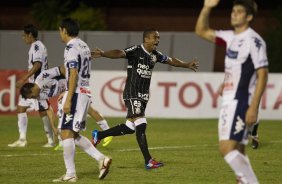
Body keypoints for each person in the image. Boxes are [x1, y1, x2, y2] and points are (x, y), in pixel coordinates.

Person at [91, 28, 199, 169]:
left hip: (143, 95)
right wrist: (104, 53)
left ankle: (99, 135)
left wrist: (186, 64)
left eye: (158, 38)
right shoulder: (136, 50)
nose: (157, 40)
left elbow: (171, 60)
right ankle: (148, 161)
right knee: (141, 124)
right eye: (155, 37)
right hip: (132, 93)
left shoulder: (155, 55)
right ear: (146, 39)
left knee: (130, 127)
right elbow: (120, 53)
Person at [195, 0, 268, 183]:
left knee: (226, 148)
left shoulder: (254, 41)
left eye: (239, 12)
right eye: (233, 11)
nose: (234, 14)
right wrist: (207, 7)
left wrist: (253, 107)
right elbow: (201, 31)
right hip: (230, 99)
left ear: (249, 17)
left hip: (241, 101)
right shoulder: (229, 37)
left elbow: (263, 75)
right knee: (239, 151)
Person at [52, 18, 112, 182]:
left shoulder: (71, 47)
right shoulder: (83, 45)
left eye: (60, 30)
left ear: (64, 30)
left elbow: (74, 73)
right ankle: (101, 159)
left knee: (65, 132)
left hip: (77, 94)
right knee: (73, 134)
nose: (60, 33)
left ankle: (70, 174)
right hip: (85, 93)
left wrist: (68, 97)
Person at [19, 66, 113, 150]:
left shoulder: (42, 77)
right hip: (68, 92)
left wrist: (68, 89)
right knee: (88, 109)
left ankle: (63, 142)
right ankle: (108, 132)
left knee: (71, 109)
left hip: (76, 84)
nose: (33, 98)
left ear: (31, 90)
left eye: (31, 96)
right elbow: (48, 110)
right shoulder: (38, 97)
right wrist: (53, 127)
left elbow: (63, 69)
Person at [8, 24, 54, 148]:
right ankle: (22, 139)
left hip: (37, 85)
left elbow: (37, 64)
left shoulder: (37, 46)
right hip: (31, 84)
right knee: (21, 108)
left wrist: (23, 78)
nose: (23, 38)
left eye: (24, 35)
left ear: (30, 35)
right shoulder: (35, 46)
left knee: (42, 111)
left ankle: (51, 140)